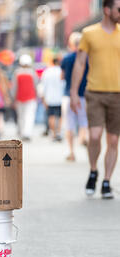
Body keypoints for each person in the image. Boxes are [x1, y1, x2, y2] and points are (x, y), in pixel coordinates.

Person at [70, 0, 120, 199]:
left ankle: (107, 181)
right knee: (94, 136)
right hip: (95, 93)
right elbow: (80, 63)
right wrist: (74, 92)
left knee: (114, 139)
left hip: (118, 94)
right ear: (107, 10)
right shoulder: (89, 33)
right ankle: (93, 171)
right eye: (119, 9)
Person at [61, 32, 89, 162]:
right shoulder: (88, 58)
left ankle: (71, 152)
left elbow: (61, 77)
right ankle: (84, 138)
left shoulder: (66, 59)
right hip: (83, 95)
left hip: (68, 95)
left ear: (71, 44)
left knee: (69, 124)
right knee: (84, 121)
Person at [11, 54, 39, 142]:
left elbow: (14, 87)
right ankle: (27, 133)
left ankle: (23, 132)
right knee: (29, 116)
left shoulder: (17, 73)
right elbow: (36, 85)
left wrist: (13, 98)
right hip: (31, 98)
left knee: (21, 116)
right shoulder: (32, 73)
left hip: (20, 98)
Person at [40, 57, 65, 142]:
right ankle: (58, 132)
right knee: (60, 116)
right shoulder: (62, 71)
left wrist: (43, 97)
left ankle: (53, 134)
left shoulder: (47, 72)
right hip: (61, 97)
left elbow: (43, 85)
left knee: (51, 116)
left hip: (49, 97)